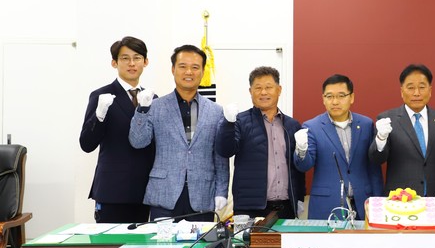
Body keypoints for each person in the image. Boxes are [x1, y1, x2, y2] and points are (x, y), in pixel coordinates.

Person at [129, 45, 229, 221]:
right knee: (161, 240)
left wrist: (221, 191)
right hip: (164, 195)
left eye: (195, 67)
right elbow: (138, 142)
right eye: (183, 66)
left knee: (201, 240)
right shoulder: (156, 106)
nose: (188, 72)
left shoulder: (216, 111)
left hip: (202, 196)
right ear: (173, 69)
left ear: (202, 71)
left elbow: (220, 156)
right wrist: (142, 110)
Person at [369, 64, 435, 219]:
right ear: (402, 91)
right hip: (401, 203)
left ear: (430, 90)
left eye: (422, 87)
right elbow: (376, 159)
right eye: (410, 87)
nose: (416, 93)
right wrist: (381, 138)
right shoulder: (387, 119)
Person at [79, 36, 155, 223]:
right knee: (109, 241)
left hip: (144, 190)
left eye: (137, 58)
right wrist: (99, 115)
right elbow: (86, 144)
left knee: (142, 242)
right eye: (125, 58)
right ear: (114, 62)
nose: (132, 63)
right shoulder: (101, 95)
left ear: (145, 62)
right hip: (112, 190)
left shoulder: (153, 98)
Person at [216, 66, 305, 219]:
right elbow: (225, 150)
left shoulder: (292, 125)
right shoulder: (239, 121)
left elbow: (297, 168)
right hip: (250, 209)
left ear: (279, 90)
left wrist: (300, 196)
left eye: (268, 87)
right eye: (258, 88)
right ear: (250, 91)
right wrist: (228, 123)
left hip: (286, 208)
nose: (263, 92)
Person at [293, 74, 383, 220]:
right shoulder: (312, 127)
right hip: (327, 205)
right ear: (323, 99)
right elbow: (304, 166)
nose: (335, 101)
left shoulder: (366, 124)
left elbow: (374, 168)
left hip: (363, 203)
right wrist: (301, 150)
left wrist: (379, 201)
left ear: (351, 97)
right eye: (329, 96)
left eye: (341, 96)